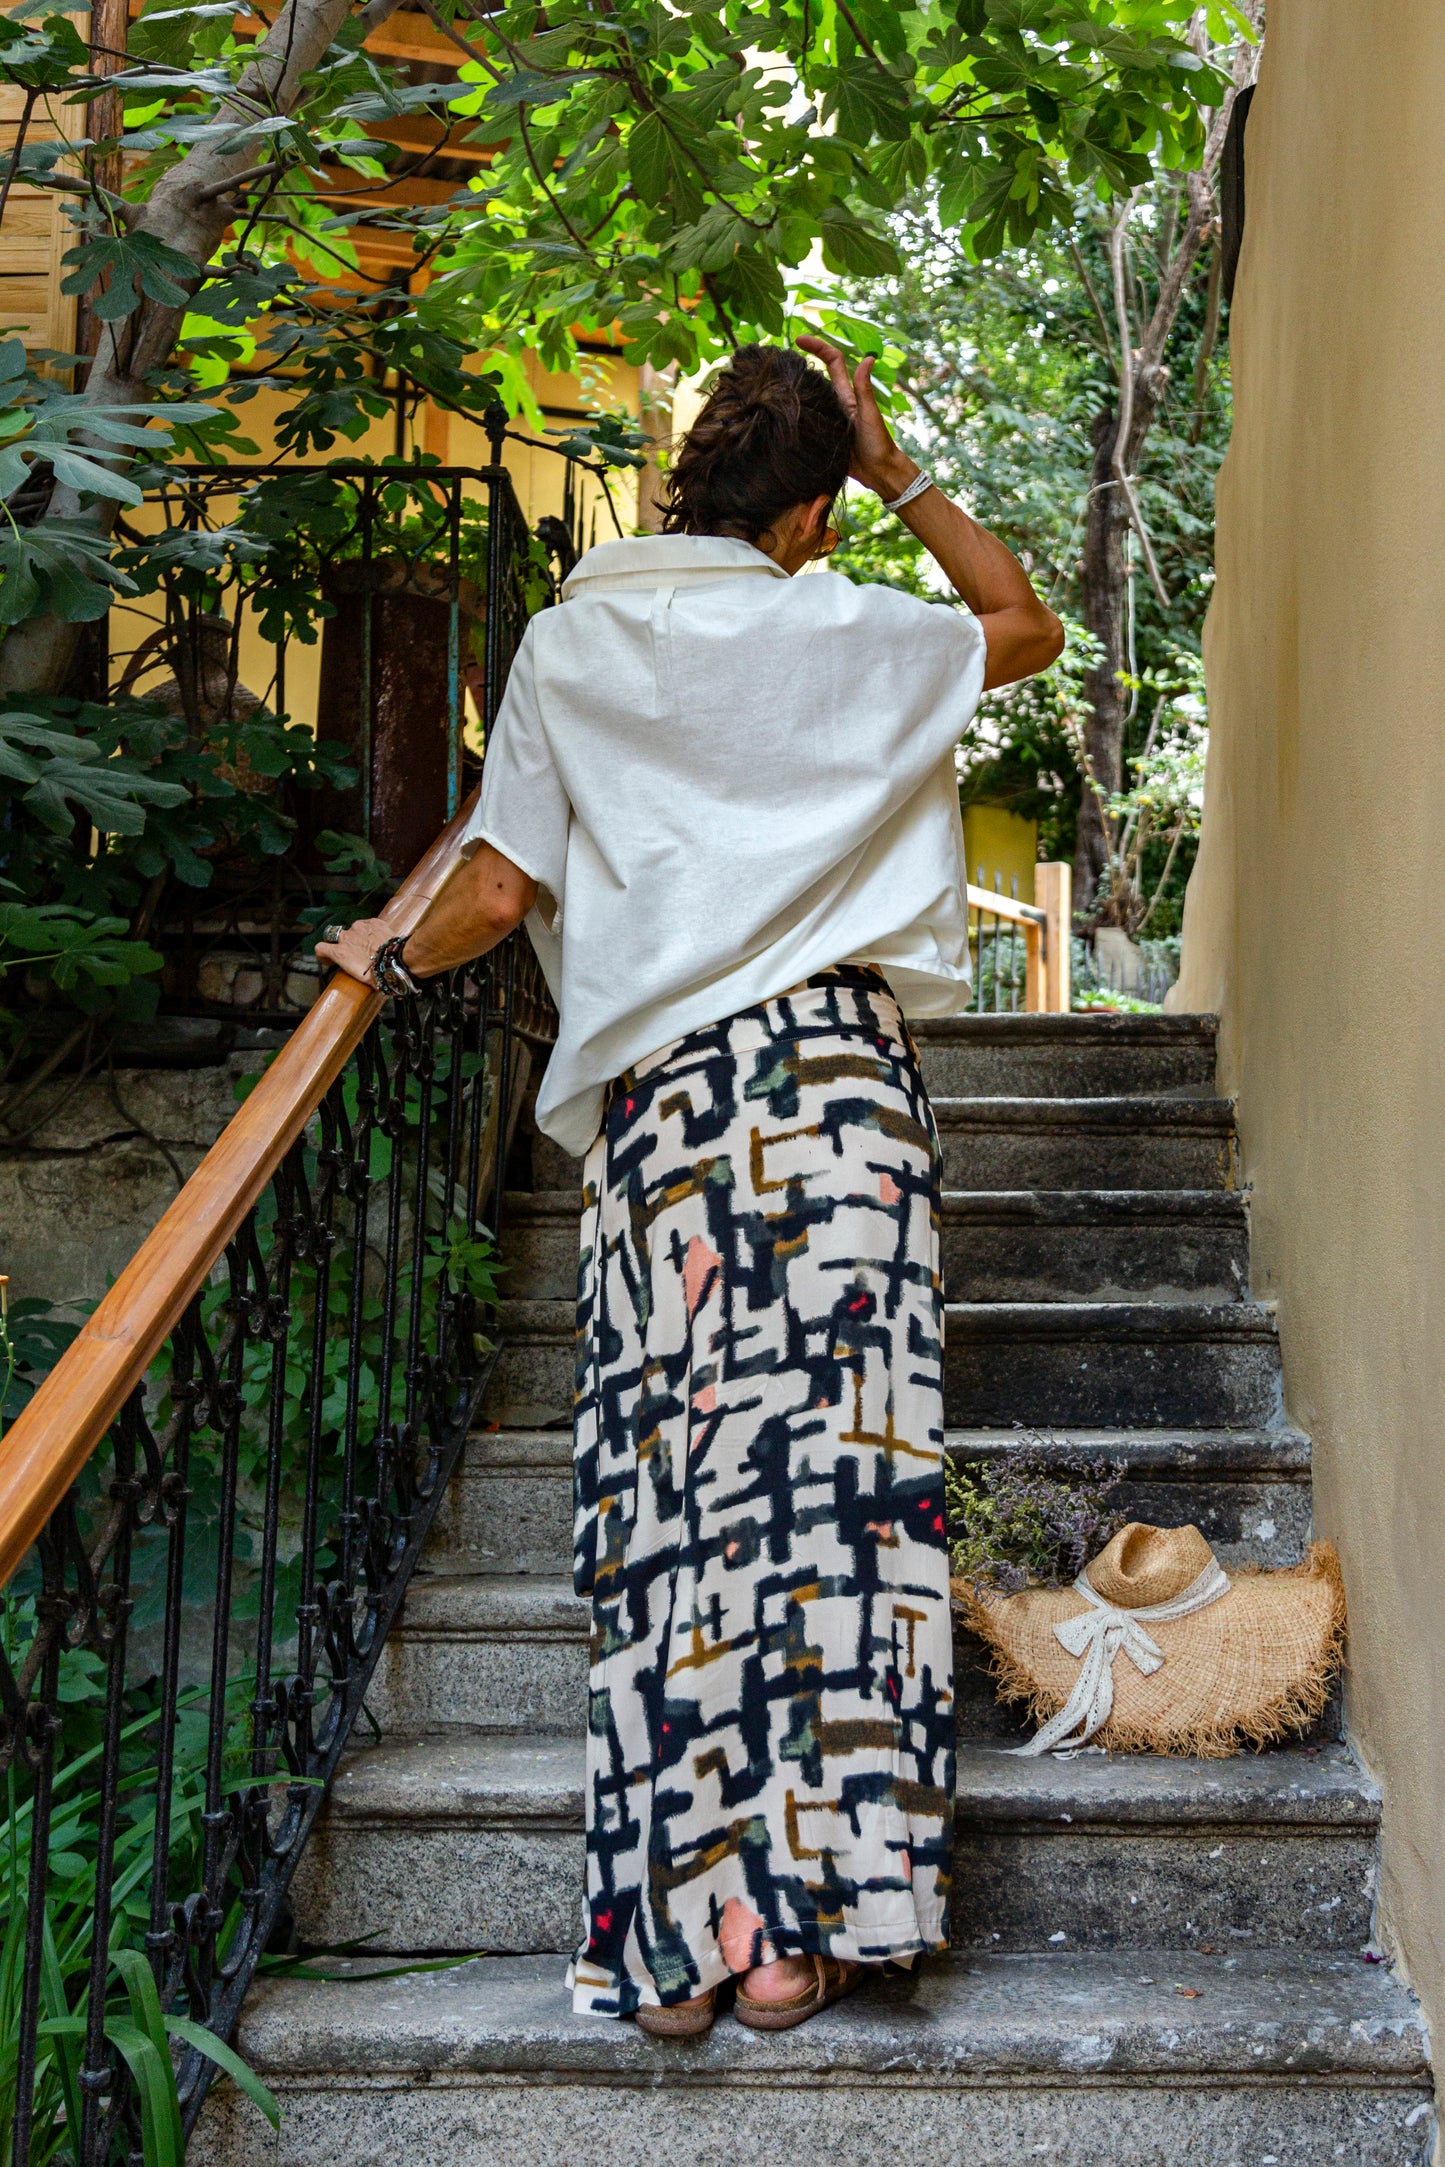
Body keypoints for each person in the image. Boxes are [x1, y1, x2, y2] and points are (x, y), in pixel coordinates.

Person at [318, 339, 1062, 2038]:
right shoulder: (854, 627)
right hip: (840, 1112)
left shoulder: (577, 642)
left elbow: (495, 892)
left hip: (676, 1125)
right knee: (834, 1517)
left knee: (676, 1522)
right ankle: (815, 1926)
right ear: (809, 504)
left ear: (690, 476)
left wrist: (378, 955)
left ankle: (675, 1935)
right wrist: (903, 477)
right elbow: (1019, 628)